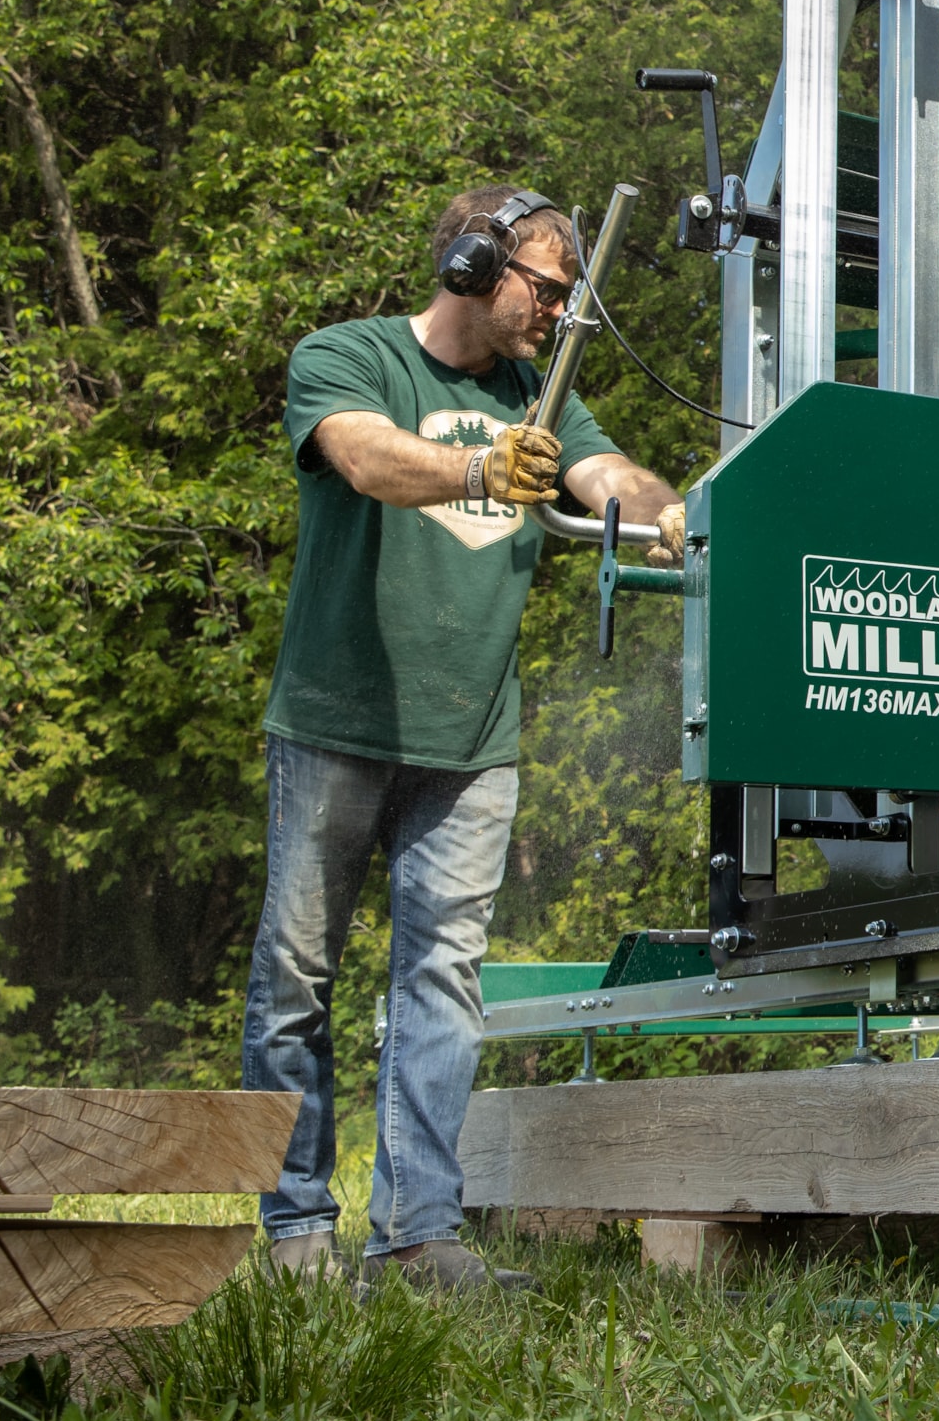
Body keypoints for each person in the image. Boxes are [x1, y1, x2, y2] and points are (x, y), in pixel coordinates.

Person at [244, 183, 687, 1290]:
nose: (559, 311)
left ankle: (417, 1238)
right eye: (545, 287)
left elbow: (603, 472)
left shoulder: (544, 394)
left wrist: (664, 506)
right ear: (474, 266)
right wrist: (479, 468)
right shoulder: (345, 355)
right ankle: (295, 1229)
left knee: (441, 982)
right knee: (297, 975)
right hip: (337, 723)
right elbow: (366, 459)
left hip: (473, 740)